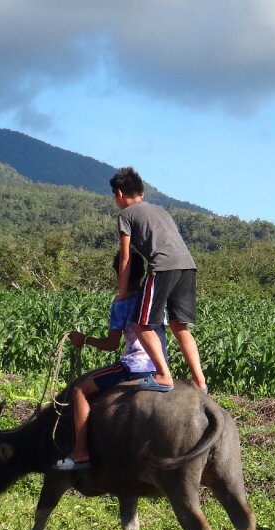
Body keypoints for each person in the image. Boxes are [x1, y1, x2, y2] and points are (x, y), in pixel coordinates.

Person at [53, 253, 167, 471]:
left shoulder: (122, 303)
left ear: (119, 274)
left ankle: (80, 452)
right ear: (142, 273)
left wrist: (84, 339)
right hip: (159, 366)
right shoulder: (153, 299)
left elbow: (111, 344)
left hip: (134, 366)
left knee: (79, 390)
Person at [110, 166, 207, 392]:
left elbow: (125, 258)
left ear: (119, 194)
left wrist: (122, 293)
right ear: (141, 193)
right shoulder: (159, 209)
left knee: (141, 324)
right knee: (179, 326)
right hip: (188, 266)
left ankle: (164, 375)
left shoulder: (125, 215)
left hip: (163, 267)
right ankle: (201, 383)